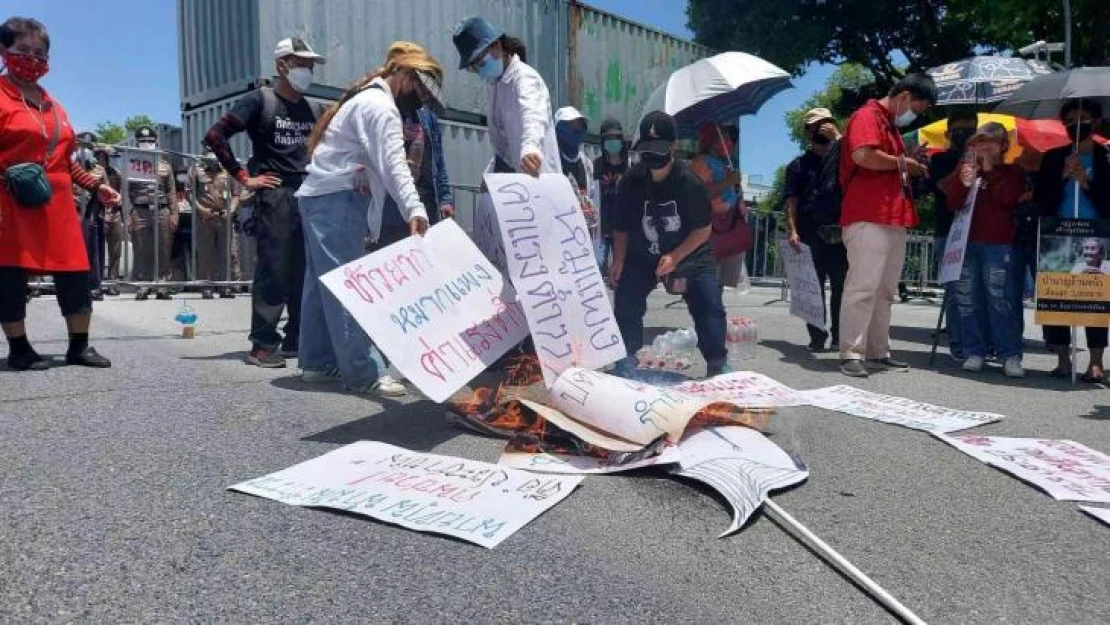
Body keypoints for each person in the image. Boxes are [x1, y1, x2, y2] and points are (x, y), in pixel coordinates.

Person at [295, 41, 442, 397]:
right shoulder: (381, 108)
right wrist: (416, 208)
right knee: (348, 285)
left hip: (321, 198)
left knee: (322, 282)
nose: (421, 101)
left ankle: (316, 361)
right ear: (406, 76)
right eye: (421, 91)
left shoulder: (364, 100)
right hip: (338, 200)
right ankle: (364, 372)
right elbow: (395, 164)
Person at [0, 17, 117, 370]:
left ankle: (78, 347)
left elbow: (65, 161)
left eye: (39, 53)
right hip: (10, 203)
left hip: (59, 205)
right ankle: (19, 349)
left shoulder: (55, 106)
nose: (32, 59)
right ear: (4, 51)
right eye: (23, 50)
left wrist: (97, 185)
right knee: (10, 273)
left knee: (75, 272)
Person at [204, 37, 326, 368]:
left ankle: (297, 338)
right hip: (275, 196)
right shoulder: (261, 100)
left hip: (308, 195)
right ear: (281, 65)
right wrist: (244, 178)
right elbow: (215, 136)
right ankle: (262, 344)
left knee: (304, 271)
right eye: (302, 63)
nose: (308, 70)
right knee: (274, 269)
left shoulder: (314, 109)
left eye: (310, 65)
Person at [610, 111, 729, 377]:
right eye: (647, 150)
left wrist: (675, 257)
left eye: (659, 149)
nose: (653, 157)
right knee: (626, 299)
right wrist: (618, 259)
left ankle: (717, 362)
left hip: (689, 251)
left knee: (708, 301)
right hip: (643, 253)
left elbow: (703, 229)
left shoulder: (690, 183)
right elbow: (621, 225)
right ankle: (626, 357)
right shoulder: (630, 181)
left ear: (672, 146)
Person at [837, 74, 936, 378]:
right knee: (863, 287)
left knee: (884, 291)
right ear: (904, 96)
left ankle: (879, 350)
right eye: (917, 108)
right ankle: (851, 352)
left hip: (893, 216)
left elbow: (885, 160)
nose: (915, 115)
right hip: (869, 214)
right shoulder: (867, 115)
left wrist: (905, 159)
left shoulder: (890, 125)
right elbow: (863, 155)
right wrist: (904, 163)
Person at [939, 122, 1026, 377]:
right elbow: (952, 203)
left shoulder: (1013, 172)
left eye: (989, 142)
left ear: (1002, 146)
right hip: (965, 243)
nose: (982, 147)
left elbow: (1007, 199)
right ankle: (974, 350)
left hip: (999, 243)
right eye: (978, 142)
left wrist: (988, 169)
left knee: (1000, 300)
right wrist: (964, 182)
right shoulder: (967, 170)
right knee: (968, 299)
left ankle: (1010, 354)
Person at [1034, 99, 1110, 380]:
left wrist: (1087, 183)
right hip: (1058, 233)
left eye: (1084, 117)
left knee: (1095, 299)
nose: (1076, 124)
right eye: (1070, 119)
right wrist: (1064, 175)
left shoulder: (1106, 157)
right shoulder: (1054, 157)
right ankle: (1063, 359)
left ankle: (1095, 361)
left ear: (1096, 121)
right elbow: (1042, 198)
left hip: (1097, 234)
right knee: (1057, 297)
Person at [453, 16, 560, 176]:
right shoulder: (497, 86)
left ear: (497, 46)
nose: (480, 72)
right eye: (474, 68)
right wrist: (491, 176)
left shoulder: (525, 78)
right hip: (521, 183)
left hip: (542, 180)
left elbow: (533, 116)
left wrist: (530, 148)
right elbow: (504, 148)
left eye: (481, 63)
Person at [784, 108, 849, 352]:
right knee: (812, 286)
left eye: (825, 125)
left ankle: (841, 336)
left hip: (840, 231)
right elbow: (791, 200)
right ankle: (817, 336)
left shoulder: (845, 159)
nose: (820, 130)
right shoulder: (798, 165)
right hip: (810, 231)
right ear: (808, 132)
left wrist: (838, 138)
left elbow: (857, 158)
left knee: (842, 286)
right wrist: (792, 230)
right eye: (815, 127)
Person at [928, 109, 979, 361]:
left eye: (970, 130)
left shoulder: (986, 157)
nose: (965, 135)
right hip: (949, 233)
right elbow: (943, 188)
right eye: (960, 131)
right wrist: (964, 162)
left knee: (979, 292)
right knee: (956, 293)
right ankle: (959, 345)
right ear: (948, 133)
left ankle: (980, 344)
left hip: (979, 234)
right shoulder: (938, 160)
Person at [372, 99, 455, 250]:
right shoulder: (389, 111)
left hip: (426, 203)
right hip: (392, 207)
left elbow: (438, 161)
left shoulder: (429, 118)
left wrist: (445, 198)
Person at [688, 121, 749, 293]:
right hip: (709, 231)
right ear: (713, 141)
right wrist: (727, 182)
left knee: (718, 285)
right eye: (724, 136)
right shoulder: (701, 162)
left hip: (725, 230)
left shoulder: (724, 163)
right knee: (708, 283)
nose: (728, 141)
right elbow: (699, 194)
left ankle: (714, 313)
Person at [127, 125, 177, 300]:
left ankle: (162, 284)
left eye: (149, 141)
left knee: (164, 247)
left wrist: (174, 214)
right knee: (142, 249)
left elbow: (171, 192)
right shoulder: (133, 164)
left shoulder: (165, 165)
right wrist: (128, 215)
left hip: (162, 210)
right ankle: (143, 285)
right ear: (137, 143)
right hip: (140, 211)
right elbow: (126, 192)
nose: (146, 144)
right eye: (142, 141)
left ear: (155, 142)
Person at [189, 152, 237, 299]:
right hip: (205, 217)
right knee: (205, 253)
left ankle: (225, 286)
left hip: (224, 216)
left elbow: (236, 194)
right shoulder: (196, 169)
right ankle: (207, 286)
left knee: (225, 253)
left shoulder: (229, 168)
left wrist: (231, 210)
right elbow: (190, 193)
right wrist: (201, 210)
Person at [554, 106, 599, 241]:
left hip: (582, 234)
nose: (576, 130)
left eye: (579, 126)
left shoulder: (586, 163)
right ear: (558, 130)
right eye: (570, 126)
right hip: (559, 231)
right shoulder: (551, 161)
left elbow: (590, 196)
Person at [72, 131, 106, 301]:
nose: (85, 151)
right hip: (71, 212)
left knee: (91, 251)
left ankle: (94, 286)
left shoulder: (99, 170)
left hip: (90, 214)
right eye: (82, 147)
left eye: (88, 148)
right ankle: (74, 287)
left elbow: (105, 191)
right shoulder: (69, 165)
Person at [593, 118, 628, 273]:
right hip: (603, 222)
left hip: (623, 224)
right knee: (599, 265)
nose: (613, 142)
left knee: (622, 266)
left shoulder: (630, 164)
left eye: (616, 139)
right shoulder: (596, 164)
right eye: (609, 139)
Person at [93, 144, 122, 295]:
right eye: (99, 155)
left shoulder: (116, 172)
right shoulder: (92, 172)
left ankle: (113, 282)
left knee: (115, 250)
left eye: (105, 156)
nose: (102, 158)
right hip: (99, 214)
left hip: (115, 213)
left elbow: (121, 192)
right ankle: (97, 282)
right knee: (97, 249)